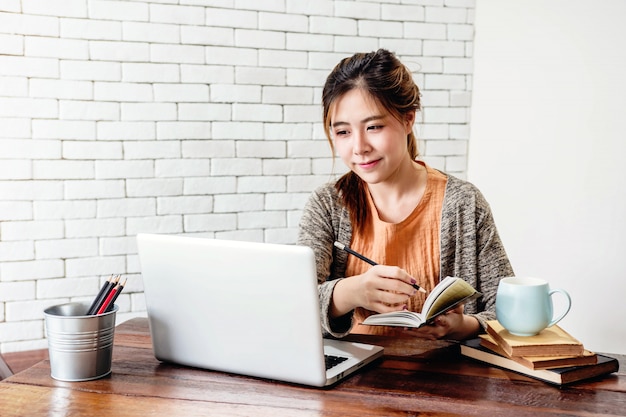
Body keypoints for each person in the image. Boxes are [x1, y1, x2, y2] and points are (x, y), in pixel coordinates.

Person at [297, 49, 514, 341]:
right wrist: (350, 292)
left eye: (373, 127)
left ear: (408, 119)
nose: (359, 147)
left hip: (448, 377)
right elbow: (296, 304)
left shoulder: (463, 203)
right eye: (343, 132)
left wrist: (466, 326)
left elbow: (509, 311)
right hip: (350, 377)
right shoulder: (327, 204)